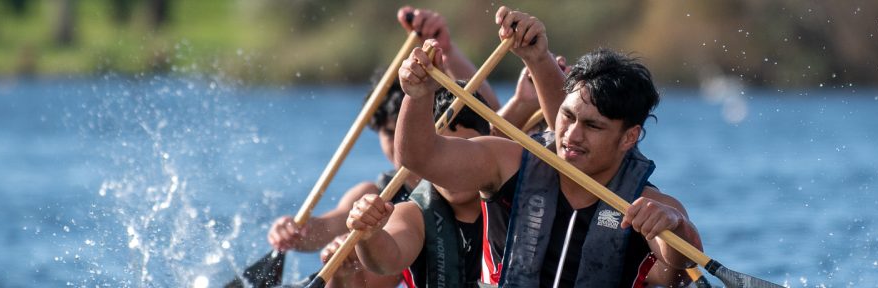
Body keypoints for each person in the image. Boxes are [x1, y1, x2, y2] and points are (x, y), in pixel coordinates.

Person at [391, 6, 704, 287]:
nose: (572, 135)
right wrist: (417, 95)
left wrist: (675, 228)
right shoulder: (507, 162)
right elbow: (419, 157)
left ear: (629, 137)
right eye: (567, 116)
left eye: (593, 126)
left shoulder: (650, 205)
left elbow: (680, 268)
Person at [266, 6, 502, 287]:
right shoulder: (383, 198)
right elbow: (328, 228)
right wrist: (298, 233)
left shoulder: (497, 171)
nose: (396, 143)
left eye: (401, 130)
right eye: (388, 133)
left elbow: (492, 116)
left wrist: (448, 51)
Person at [344, 80, 492, 288]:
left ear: (492, 143)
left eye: (465, 150)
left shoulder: (516, 191)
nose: (453, 167)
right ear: (422, 157)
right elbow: (387, 260)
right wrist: (369, 236)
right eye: (440, 152)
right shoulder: (412, 214)